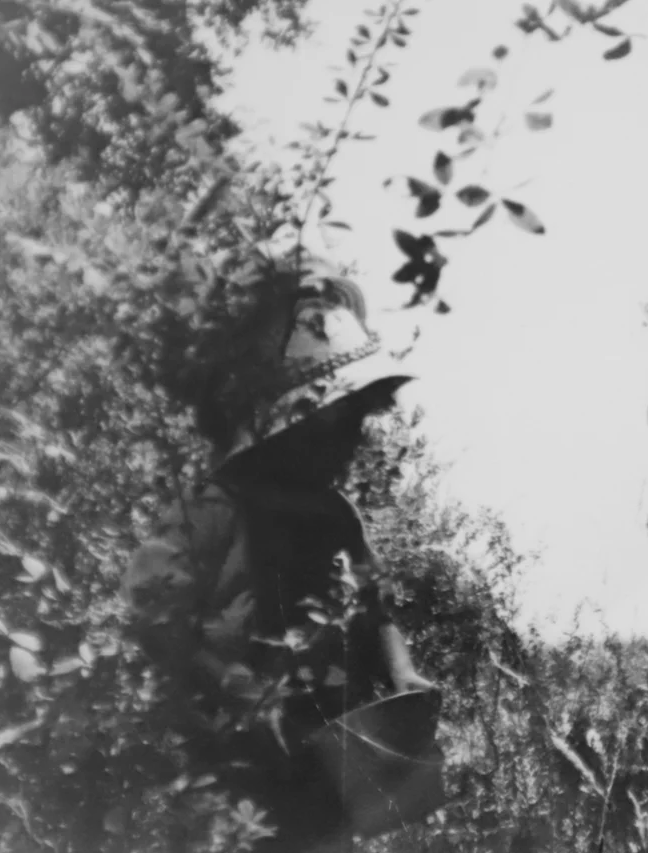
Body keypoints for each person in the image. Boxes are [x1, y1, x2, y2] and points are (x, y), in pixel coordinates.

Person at [120, 254, 437, 853]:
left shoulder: (338, 515)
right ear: (284, 424)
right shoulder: (216, 506)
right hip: (229, 775)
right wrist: (233, 683)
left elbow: (378, 605)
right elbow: (152, 611)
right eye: (334, 425)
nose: (350, 441)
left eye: (354, 423)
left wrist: (403, 675)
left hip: (328, 767)